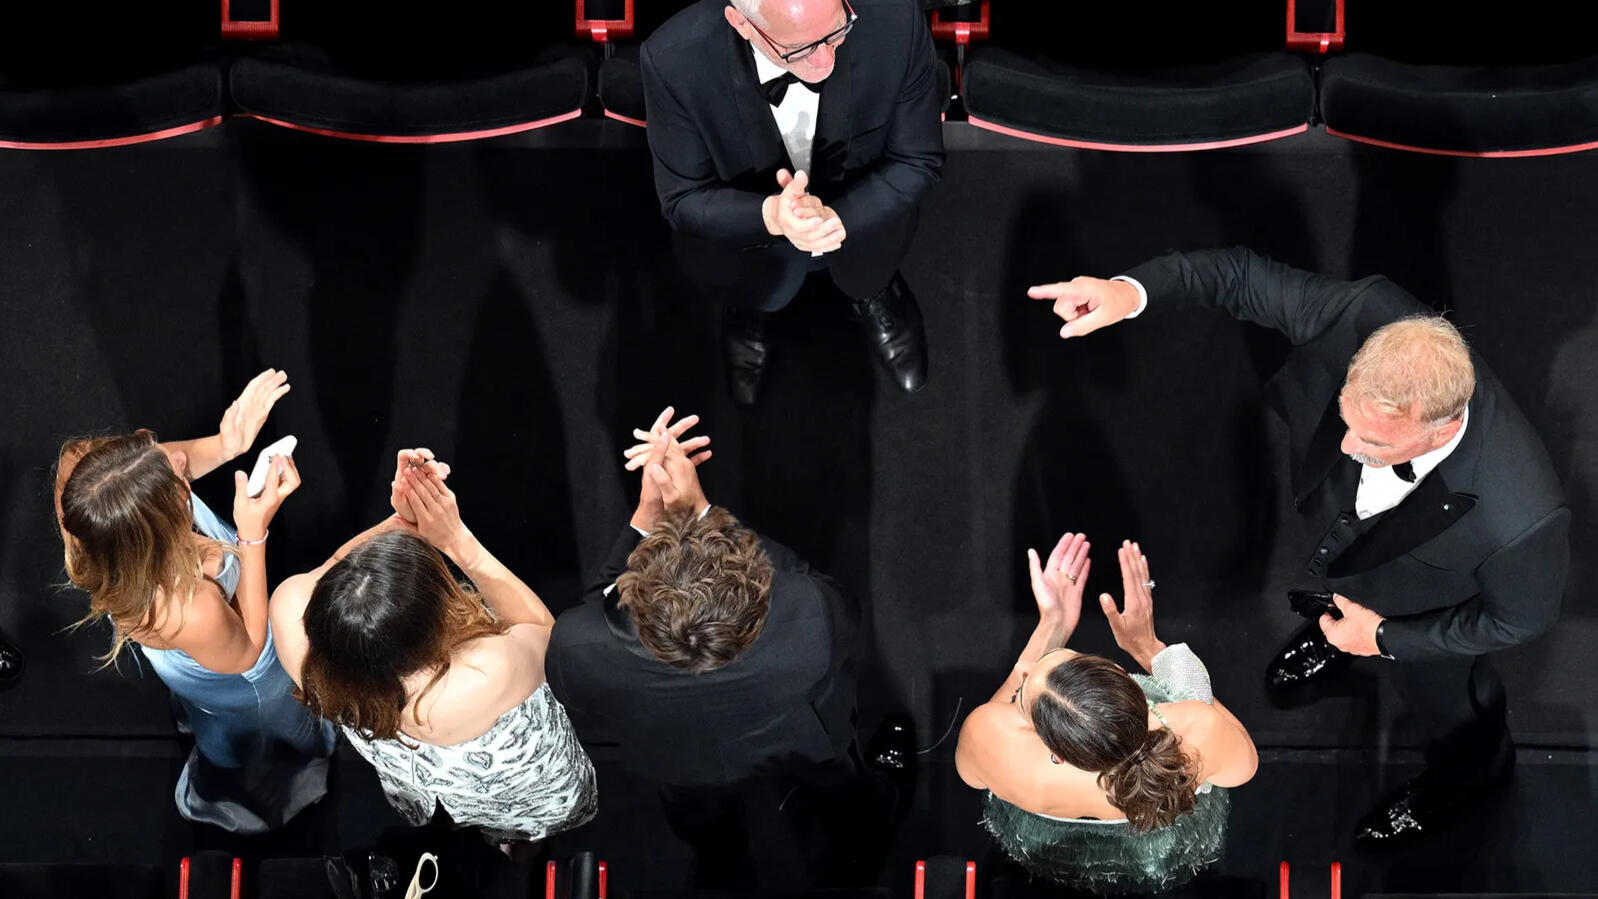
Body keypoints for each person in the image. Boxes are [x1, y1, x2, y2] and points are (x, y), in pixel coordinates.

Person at [1029, 247, 1570, 846]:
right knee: (1332, 571)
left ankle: (1469, 779)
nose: (1344, 446)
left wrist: (1385, 639)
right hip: (1351, 569)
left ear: (1440, 429)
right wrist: (1131, 293)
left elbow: (1519, 619)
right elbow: (1236, 275)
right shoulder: (1367, 311)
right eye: (1345, 420)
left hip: (1421, 617)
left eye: (1372, 443)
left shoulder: (1522, 514)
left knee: (1454, 711)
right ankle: (1337, 633)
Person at [546, 408, 869, 883]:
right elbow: (823, 589)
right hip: (798, 744)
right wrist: (701, 511)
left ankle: (719, 858)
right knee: (833, 815)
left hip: (677, 759)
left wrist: (644, 520)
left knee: (701, 824)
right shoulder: (808, 617)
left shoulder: (578, 649)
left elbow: (602, 605)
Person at [52, 369, 335, 833]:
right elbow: (246, 647)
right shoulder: (188, 605)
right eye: (175, 485)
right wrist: (251, 534)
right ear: (156, 530)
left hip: (200, 638)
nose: (181, 467)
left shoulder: (89, 482)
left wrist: (229, 443)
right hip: (238, 670)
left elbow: (167, 461)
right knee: (255, 733)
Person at [270, 449, 597, 847]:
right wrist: (458, 542)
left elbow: (339, 568)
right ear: (438, 615)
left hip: (423, 783)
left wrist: (401, 524)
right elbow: (544, 635)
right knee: (524, 825)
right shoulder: (482, 675)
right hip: (516, 783)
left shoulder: (295, 629)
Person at [641, 0, 944, 404]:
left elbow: (918, 159)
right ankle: (750, 311)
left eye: (838, 31)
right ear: (741, 24)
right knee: (753, 287)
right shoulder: (673, 59)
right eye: (799, 49)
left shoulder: (895, 17)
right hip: (751, 244)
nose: (825, 63)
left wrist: (841, 216)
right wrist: (770, 216)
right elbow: (682, 198)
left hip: (865, 220)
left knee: (870, 269)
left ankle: (873, 291)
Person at [956, 534, 1257, 893]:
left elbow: (972, 775)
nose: (1024, 673)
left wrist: (1051, 626)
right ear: (1123, 677)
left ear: (1056, 752)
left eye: (1022, 692)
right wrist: (1149, 650)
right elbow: (1244, 767)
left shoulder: (989, 739)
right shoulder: (1197, 730)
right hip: (1157, 829)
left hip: (1046, 840)